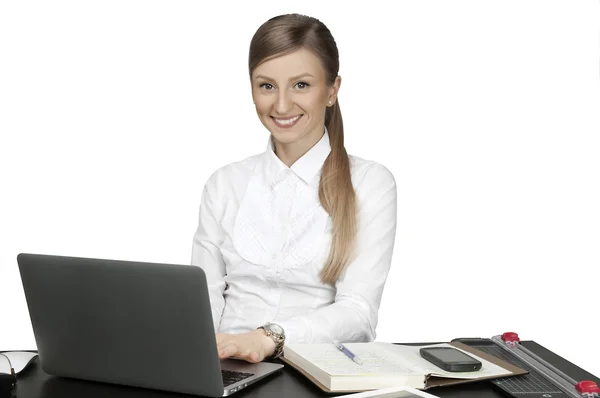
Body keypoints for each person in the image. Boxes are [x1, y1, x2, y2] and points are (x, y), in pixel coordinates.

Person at [191, 13, 397, 364]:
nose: (281, 105)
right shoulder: (225, 184)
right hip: (223, 369)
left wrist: (267, 338)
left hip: (316, 370)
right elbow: (203, 302)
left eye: (301, 84)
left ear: (332, 90)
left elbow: (358, 314)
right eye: (266, 85)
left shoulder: (370, 183)